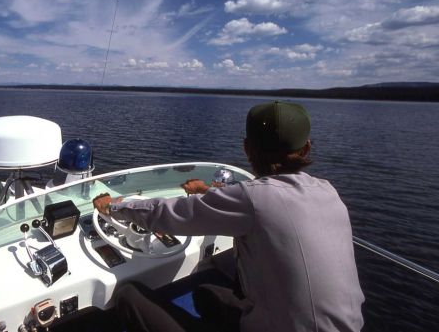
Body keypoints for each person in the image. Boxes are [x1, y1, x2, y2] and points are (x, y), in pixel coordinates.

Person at [93, 101, 364, 332]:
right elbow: (265, 196)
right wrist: (209, 190)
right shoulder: (329, 192)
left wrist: (113, 206)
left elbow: (168, 213)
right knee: (206, 294)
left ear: (247, 148)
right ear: (306, 149)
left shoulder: (253, 200)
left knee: (129, 296)